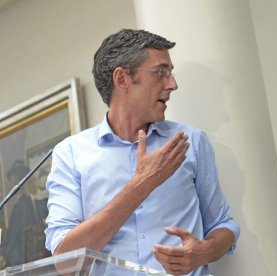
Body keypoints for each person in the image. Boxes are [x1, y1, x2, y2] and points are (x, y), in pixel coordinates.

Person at [45, 29, 240, 275]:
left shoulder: (191, 141)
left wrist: (203, 251)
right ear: (122, 79)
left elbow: (224, 225)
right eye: (161, 72)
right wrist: (141, 185)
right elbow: (65, 261)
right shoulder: (70, 154)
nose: (173, 84)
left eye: (170, 73)